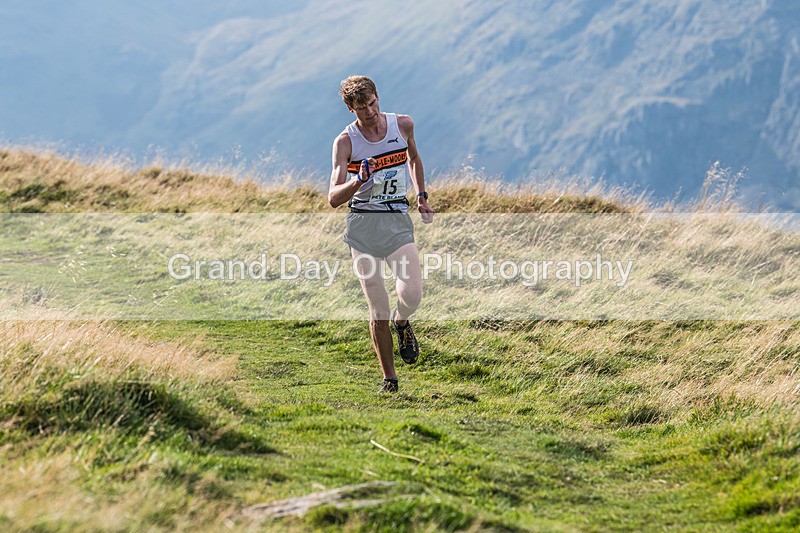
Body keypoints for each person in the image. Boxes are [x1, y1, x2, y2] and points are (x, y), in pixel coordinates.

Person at [328, 75, 434, 393]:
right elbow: (333, 197)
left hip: (397, 222)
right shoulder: (345, 142)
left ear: (378, 96)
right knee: (378, 308)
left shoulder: (402, 125)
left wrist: (422, 196)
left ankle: (403, 322)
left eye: (372, 104)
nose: (370, 113)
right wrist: (358, 180)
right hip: (362, 228)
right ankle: (390, 379)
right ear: (350, 108)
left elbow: (414, 158)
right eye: (361, 109)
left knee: (412, 295)